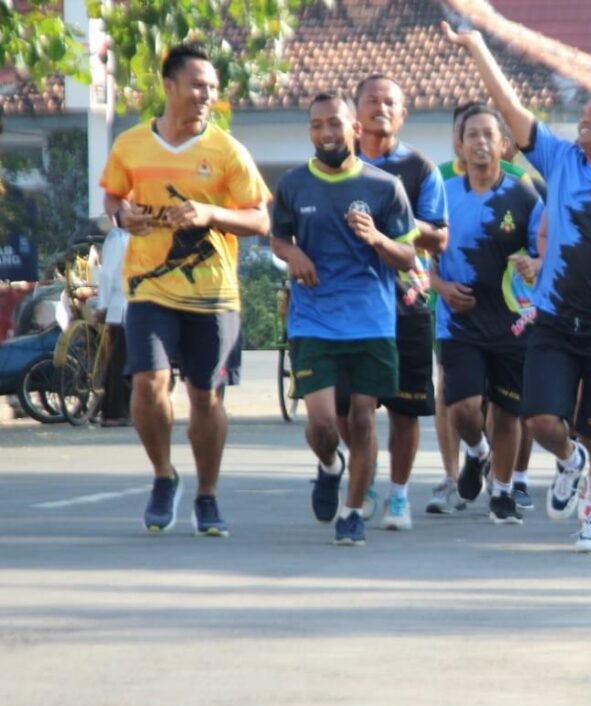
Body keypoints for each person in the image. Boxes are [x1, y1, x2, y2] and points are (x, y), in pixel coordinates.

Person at [442, 0, 591, 553]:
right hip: (553, 321)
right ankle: (571, 461)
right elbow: (510, 109)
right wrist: (478, 48)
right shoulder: (561, 160)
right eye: (583, 111)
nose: (583, 118)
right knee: (541, 420)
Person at [100, 43, 271, 536]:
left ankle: (207, 495)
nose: (206, 95)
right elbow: (112, 196)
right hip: (149, 288)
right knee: (147, 384)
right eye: (198, 85)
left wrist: (210, 213)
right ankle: (163, 475)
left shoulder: (227, 151)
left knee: (206, 397)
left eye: (212, 87)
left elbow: (260, 219)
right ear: (169, 86)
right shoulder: (131, 144)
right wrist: (122, 215)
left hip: (213, 294)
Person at [270, 92, 418, 545]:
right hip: (313, 320)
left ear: (355, 129)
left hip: (371, 322)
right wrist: (293, 253)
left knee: (363, 420)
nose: (325, 133)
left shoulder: (384, 187)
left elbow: (408, 256)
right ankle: (330, 465)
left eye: (334, 123)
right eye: (316, 125)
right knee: (322, 424)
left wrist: (376, 238)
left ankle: (352, 512)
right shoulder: (294, 185)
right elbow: (278, 239)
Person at [433, 105, 544, 523]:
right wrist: (441, 287)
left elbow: (547, 251)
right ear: (459, 146)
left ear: (504, 144)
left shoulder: (524, 195)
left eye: (488, 135)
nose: (480, 143)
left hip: (512, 320)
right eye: (471, 135)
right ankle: (477, 452)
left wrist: (535, 264)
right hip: (458, 320)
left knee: (508, 411)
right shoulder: (442, 195)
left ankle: (502, 491)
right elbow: (419, 258)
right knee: (463, 409)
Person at [354, 75, 449, 530]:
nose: (381, 108)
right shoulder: (339, 165)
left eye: (390, 102)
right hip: (349, 301)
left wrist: (391, 224)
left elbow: (440, 235)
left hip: (407, 300)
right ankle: (364, 477)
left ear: (403, 114)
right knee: (352, 407)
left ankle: (398, 494)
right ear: (356, 112)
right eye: (372, 101)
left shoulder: (419, 168)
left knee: (405, 408)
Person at [96, 226, 132, 427]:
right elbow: (107, 274)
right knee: (119, 363)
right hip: (121, 309)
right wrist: (103, 305)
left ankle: (121, 410)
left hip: (134, 307)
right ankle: (114, 412)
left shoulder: (137, 236)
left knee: (125, 363)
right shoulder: (118, 237)